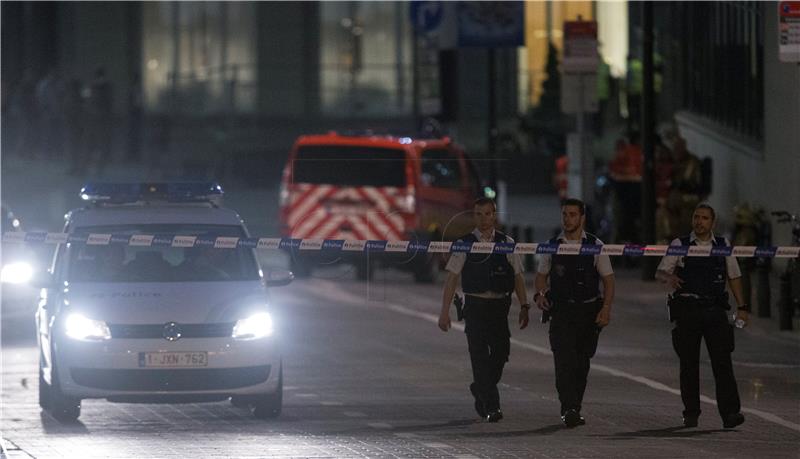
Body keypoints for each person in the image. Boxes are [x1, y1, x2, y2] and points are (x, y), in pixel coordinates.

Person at [655, 203, 747, 429]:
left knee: (723, 364)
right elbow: (660, 271)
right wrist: (670, 278)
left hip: (715, 310)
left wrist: (742, 306)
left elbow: (734, 276)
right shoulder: (680, 244)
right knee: (689, 365)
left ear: (712, 222)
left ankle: (730, 414)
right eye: (696, 217)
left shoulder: (723, 245)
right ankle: (691, 413)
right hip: (688, 309)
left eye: (705, 218)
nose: (699, 221)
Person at [438, 198, 530, 422]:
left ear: (494, 216)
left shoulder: (506, 242)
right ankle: (492, 406)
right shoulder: (465, 243)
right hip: (475, 307)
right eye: (479, 214)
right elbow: (452, 279)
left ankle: (480, 387)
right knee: (479, 357)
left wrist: (525, 306)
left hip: (499, 307)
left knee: (501, 353)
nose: (483, 219)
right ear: (474, 216)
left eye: (487, 214)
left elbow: (518, 277)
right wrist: (444, 311)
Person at [534, 198, 615, 427]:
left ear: (582, 218)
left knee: (581, 364)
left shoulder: (595, 245)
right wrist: (540, 295)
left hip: (588, 311)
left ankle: (574, 406)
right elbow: (541, 277)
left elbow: (608, 280)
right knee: (564, 362)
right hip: (562, 311)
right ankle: (568, 407)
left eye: (572, 214)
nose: (567, 219)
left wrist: (606, 309)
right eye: (564, 214)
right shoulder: (552, 245)